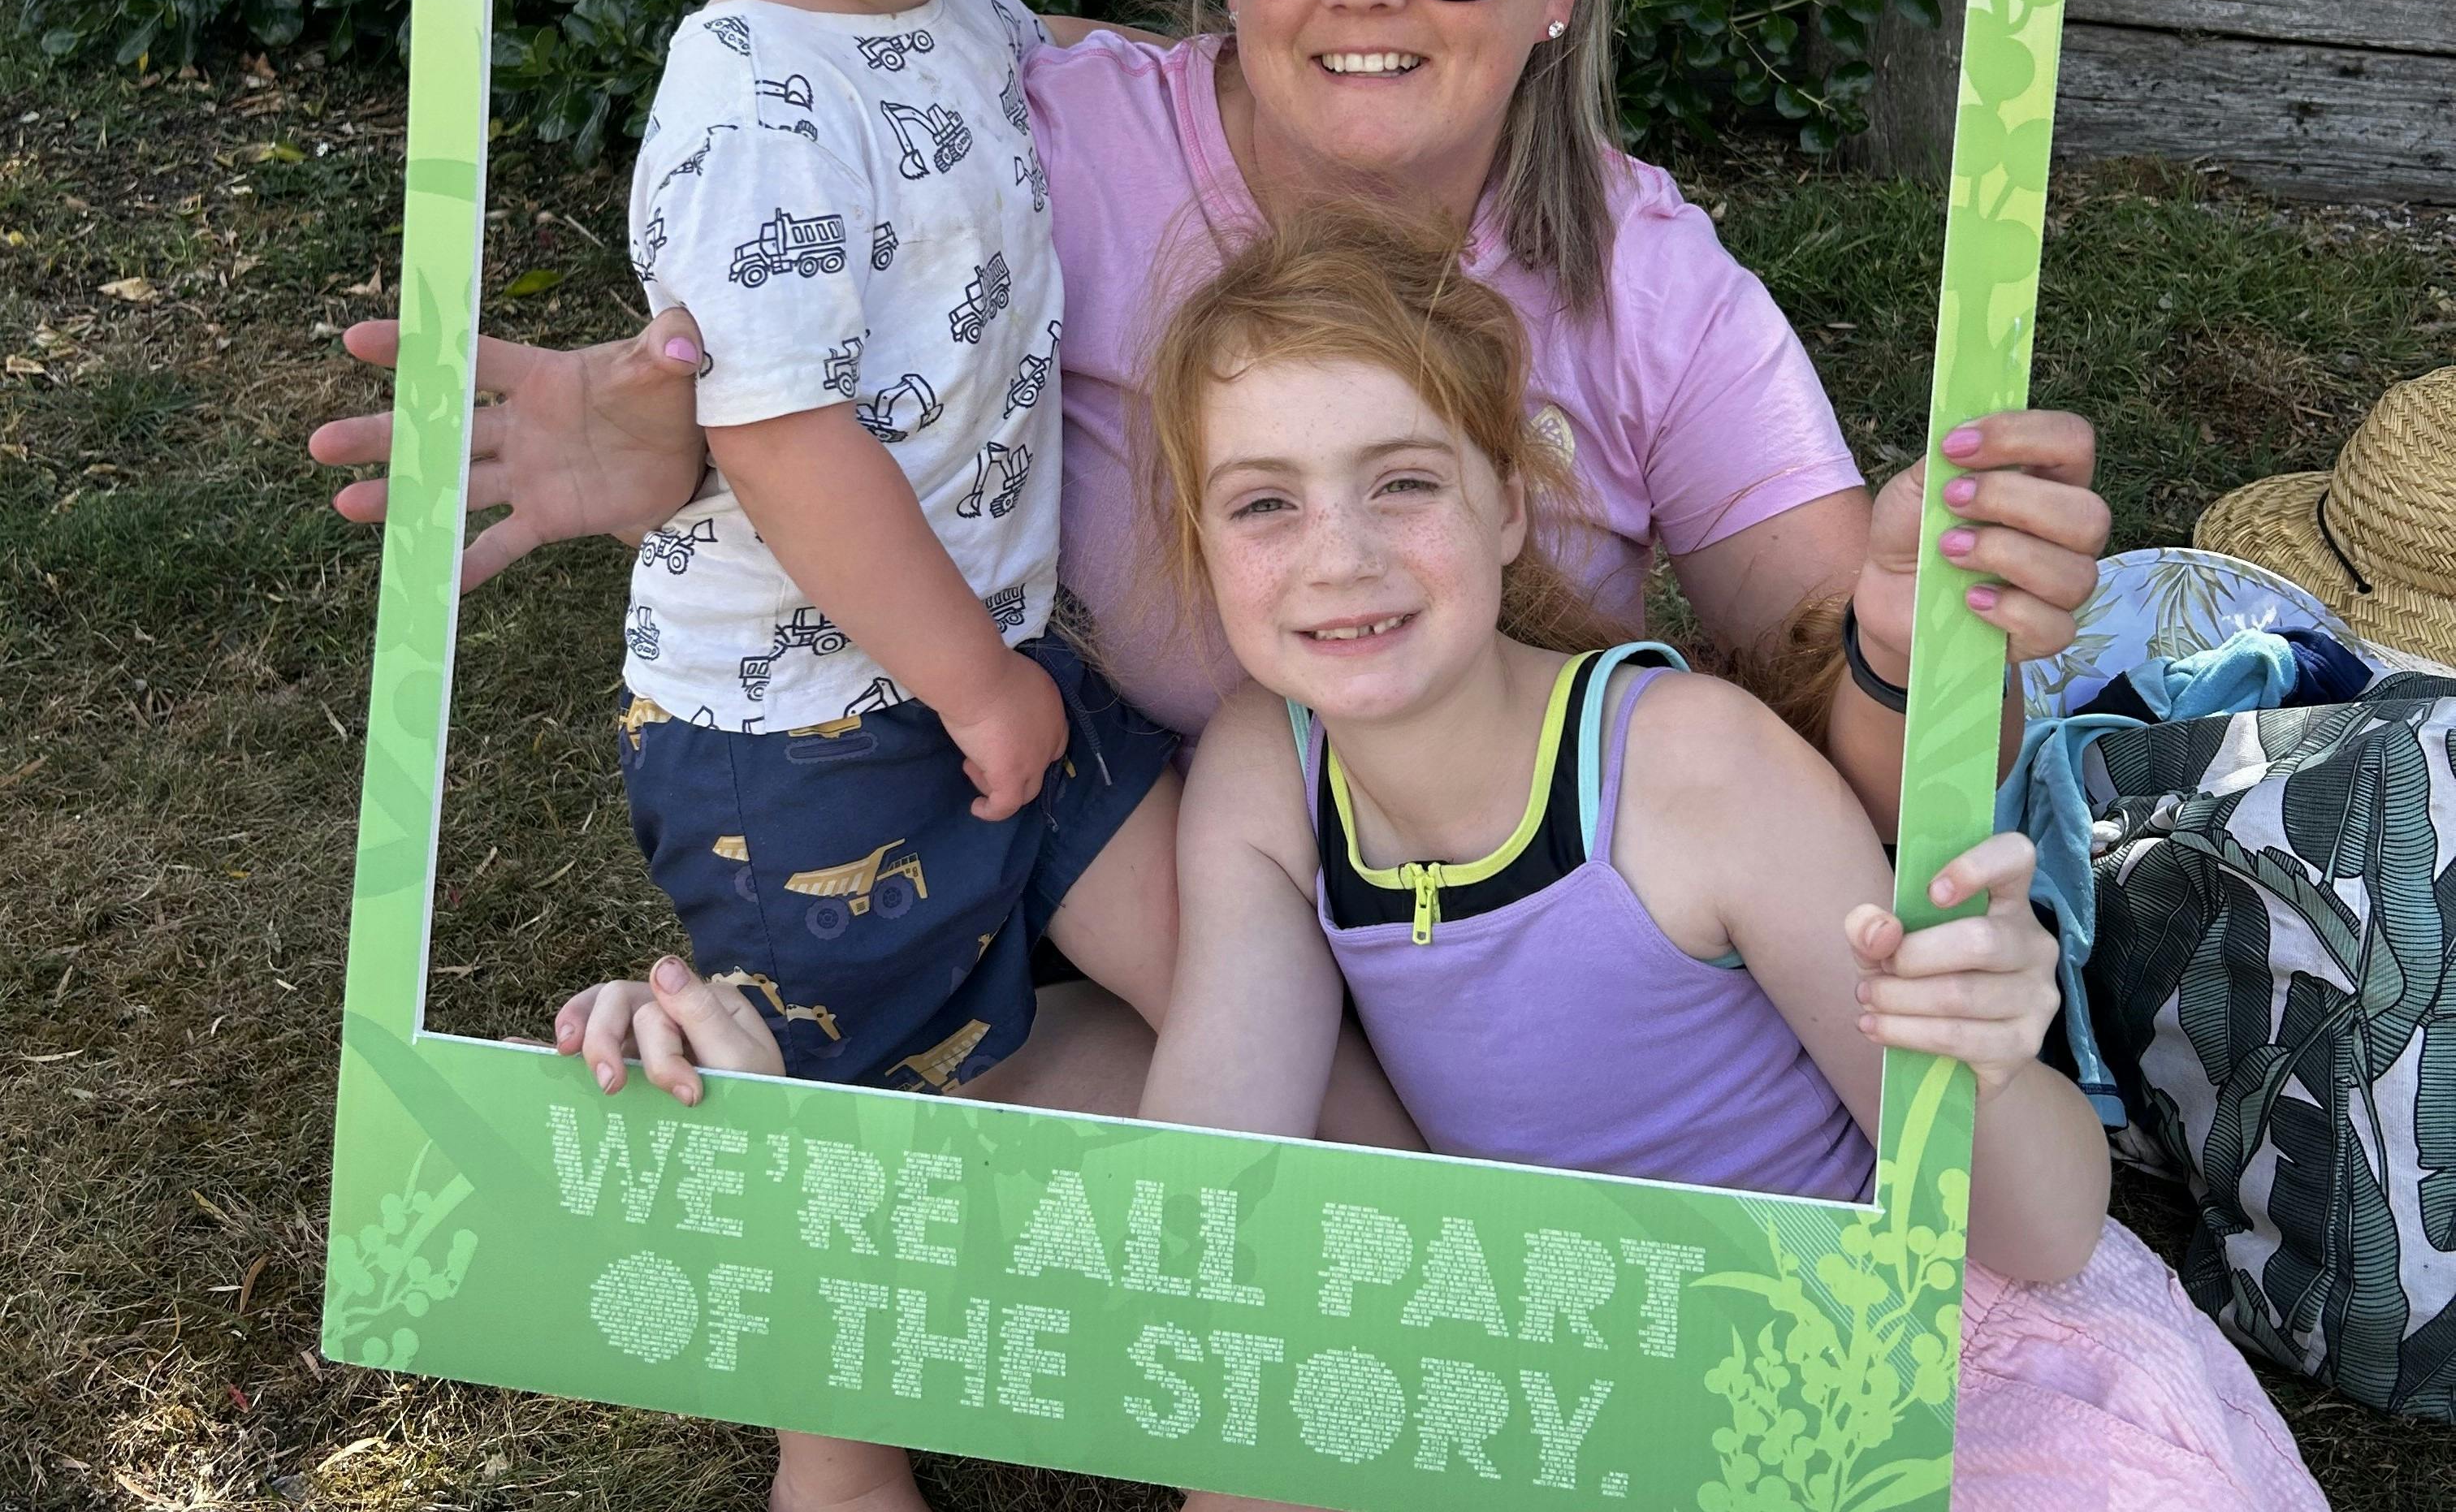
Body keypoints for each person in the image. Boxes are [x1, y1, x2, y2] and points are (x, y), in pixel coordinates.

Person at [608, 205, 2323, 1512]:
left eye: (1401, 482)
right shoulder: (1265, 781)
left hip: (1905, 1341)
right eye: (1266, 503)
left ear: (1513, 504)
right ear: (1202, 552)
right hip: (1565, 1348)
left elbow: (2024, 1228)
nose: (1338, 554)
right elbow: (1210, 1179)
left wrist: (1984, 1046)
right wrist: (782, 1105)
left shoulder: (1689, 771)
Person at [314, 0, 2113, 854]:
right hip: (1087, 887)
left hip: (1498, 968)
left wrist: (1904, 637)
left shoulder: (1656, 290)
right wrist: (692, 429)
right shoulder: (1050, 142)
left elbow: (1869, 795)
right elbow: (819, 308)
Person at [583, 0, 1180, 1512]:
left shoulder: (963, 15)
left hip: (997, 669)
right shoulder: (747, 94)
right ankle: (839, 1464)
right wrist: (977, 688)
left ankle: (1325, 1204)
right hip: (806, 731)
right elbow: (778, 434)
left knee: (1223, 939)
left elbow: (1094, 64)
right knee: (838, 1145)